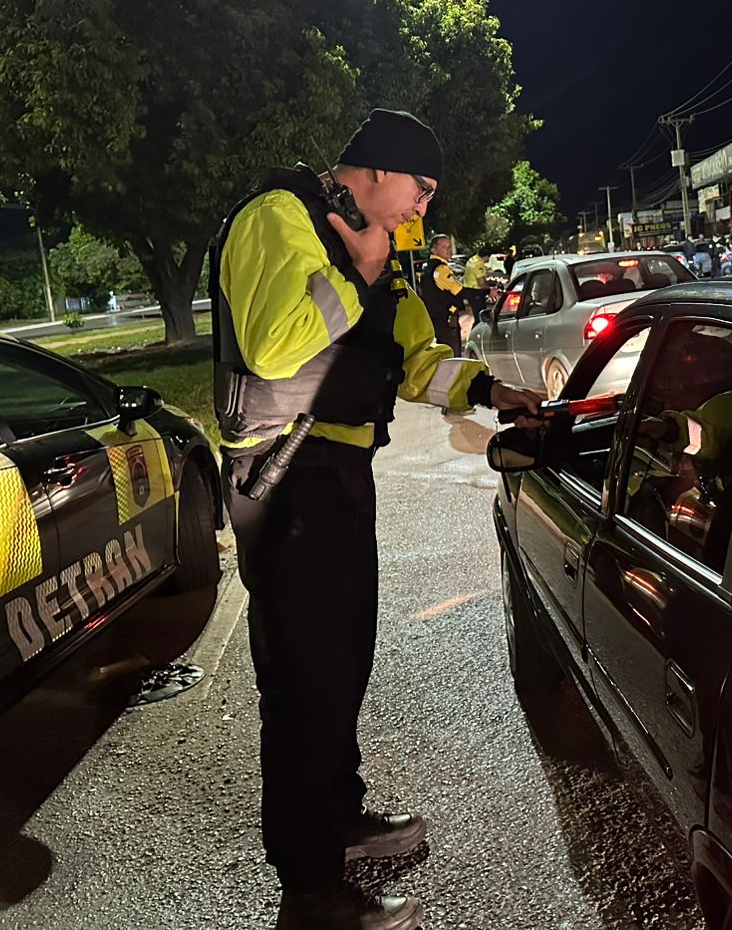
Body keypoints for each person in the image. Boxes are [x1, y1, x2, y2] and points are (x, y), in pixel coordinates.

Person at [213, 108, 542, 930]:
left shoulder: (374, 250)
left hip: (337, 476)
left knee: (342, 665)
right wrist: (357, 271)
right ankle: (311, 891)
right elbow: (274, 345)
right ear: (376, 169)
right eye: (419, 189)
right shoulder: (279, 217)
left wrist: (489, 390)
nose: (421, 210)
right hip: (284, 479)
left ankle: (338, 821)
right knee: (305, 683)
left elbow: (413, 359)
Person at [419, 233, 465, 354]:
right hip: (445, 322)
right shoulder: (441, 269)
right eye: (444, 247)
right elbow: (460, 291)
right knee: (453, 355)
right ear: (434, 250)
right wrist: (487, 291)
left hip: (434, 321)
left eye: (449, 246)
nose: (449, 250)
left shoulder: (428, 267)